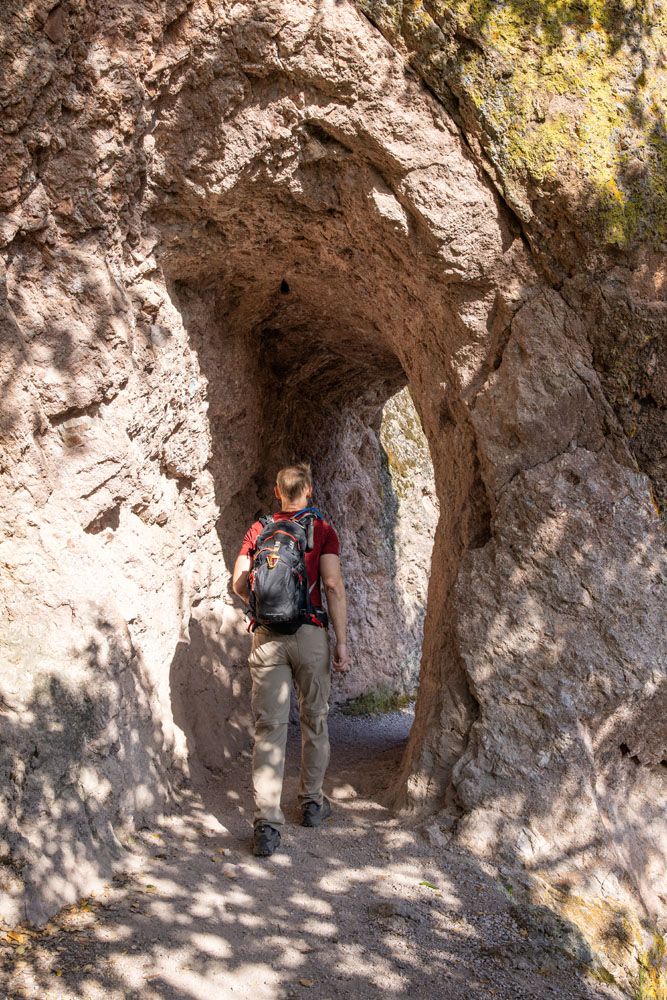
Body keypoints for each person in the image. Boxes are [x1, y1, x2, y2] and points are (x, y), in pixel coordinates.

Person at [232, 462, 350, 857]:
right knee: (315, 719)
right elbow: (332, 584)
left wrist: (264, 608)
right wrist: (341, 642)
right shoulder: (323, 530)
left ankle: (267, 825)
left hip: (267, 638)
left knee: (270, 728)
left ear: (277, 492)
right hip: (310, 635)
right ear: (310, 491)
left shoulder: (259, 529)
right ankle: (312, 803)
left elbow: (238, 582)